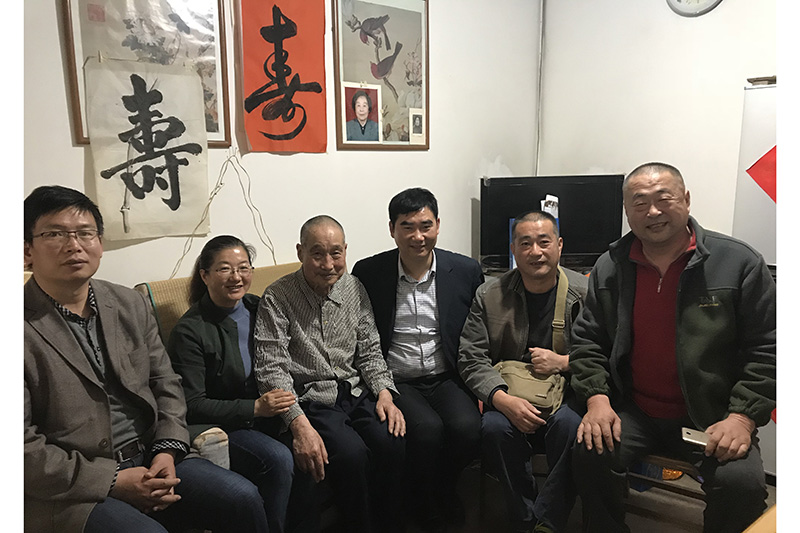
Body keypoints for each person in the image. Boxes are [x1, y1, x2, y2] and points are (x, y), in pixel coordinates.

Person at [23, 186, 268, 533]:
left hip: (153, 454)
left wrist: (167, 450)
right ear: (26, 251)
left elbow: (166, 384)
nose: (74, 245)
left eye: (85, 233)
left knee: (241, 498)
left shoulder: (128, 303)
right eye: (54, 234)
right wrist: (111, 479)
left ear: (100, 243)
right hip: (74, 486)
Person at [570, 162, 776, 533]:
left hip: (712, 414)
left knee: (741, 485)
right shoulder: (610, 266)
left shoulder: (738, 263)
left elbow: (768, 348)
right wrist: (597, 400)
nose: (652, 211)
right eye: (639, 203)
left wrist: (742, 418)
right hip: (635, 409)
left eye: (663, 198)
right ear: (627, 212)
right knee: (589, 453)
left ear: (686, 200)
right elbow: (588, 340)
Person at [253, 215, 406, 533]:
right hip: (312, 398)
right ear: (300, 252)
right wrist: (298, 425)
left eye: (336, 253)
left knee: (392, 440)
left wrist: (385, 394)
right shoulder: (278, 297)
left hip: (354, 390)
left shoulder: (354, 287)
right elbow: (272, 369)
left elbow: (370, 350)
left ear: (345, 251)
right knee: (351, 455)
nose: (328, 264)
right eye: (317, 253)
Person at [352, 187, 483, 531]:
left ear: (438, 225)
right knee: (426, 431)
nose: (418, 236)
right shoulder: (369, 272)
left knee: (468, 429)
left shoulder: (465, 270)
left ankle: (443, 489)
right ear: (392, 229)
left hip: (446, 374)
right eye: (407, 226)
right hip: (398, 379)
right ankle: (423, 504)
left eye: (426, 226)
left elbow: (479, 328)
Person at [459, 210, 587, 533]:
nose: (535, 252)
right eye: (525, 243)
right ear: (513, 249)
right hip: (510, 392)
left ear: (559, 245)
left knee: (571, 427)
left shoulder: (585, 293)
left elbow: (606, 353)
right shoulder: (489, 294)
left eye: (544, 242)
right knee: (494, 427)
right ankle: (524, 517)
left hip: (567, 393)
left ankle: (549, 520)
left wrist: (563, 362)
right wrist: (502, 400)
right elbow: (471, 357)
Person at [167, 235, 297, 533]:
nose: (236, 277)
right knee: (278, 458)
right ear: (205, 275)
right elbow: (191, 404)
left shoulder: (258, 307)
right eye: (225, 269)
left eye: (243, 268)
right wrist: (255, 408)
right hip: (224, 425)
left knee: (319, 441)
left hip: (266, 413)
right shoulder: (190, 331)